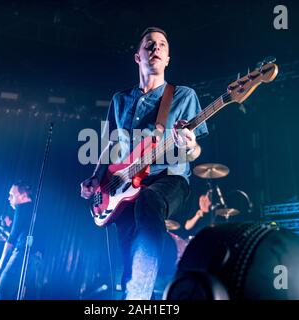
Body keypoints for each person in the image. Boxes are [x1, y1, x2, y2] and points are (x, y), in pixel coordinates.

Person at [80, 27, 208, 299]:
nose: (155, 49)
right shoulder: (119, 100)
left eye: (162, 45)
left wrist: (189, 145)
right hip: (122, 186)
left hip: (168, 178)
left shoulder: (184, 96)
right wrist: (96, 178)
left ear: (168, 58)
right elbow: (109, 146)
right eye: (149, 45)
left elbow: (195, 152)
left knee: (149, 200)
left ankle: (138, 298)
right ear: (137, 57)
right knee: (128, 252)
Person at [0, 181, 36, 300]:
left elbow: (11, 239)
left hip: (21, 255)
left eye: (12, 194)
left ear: (23, 195)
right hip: (36, 259)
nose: (9, 198)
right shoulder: (35, 209)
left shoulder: (21, 208)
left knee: (2, 295)